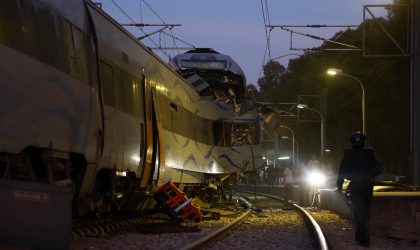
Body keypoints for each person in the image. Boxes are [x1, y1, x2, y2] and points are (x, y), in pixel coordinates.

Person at [336, 131, 382, 248]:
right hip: (367, 185)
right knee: (365, 211)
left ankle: (364, 238)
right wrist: (370, 174)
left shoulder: (348, 154)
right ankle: (359, 236)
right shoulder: (370, 153)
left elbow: (342, 171)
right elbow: (379, 168)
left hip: (355, 185)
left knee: (359, 211)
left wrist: (339, 186)